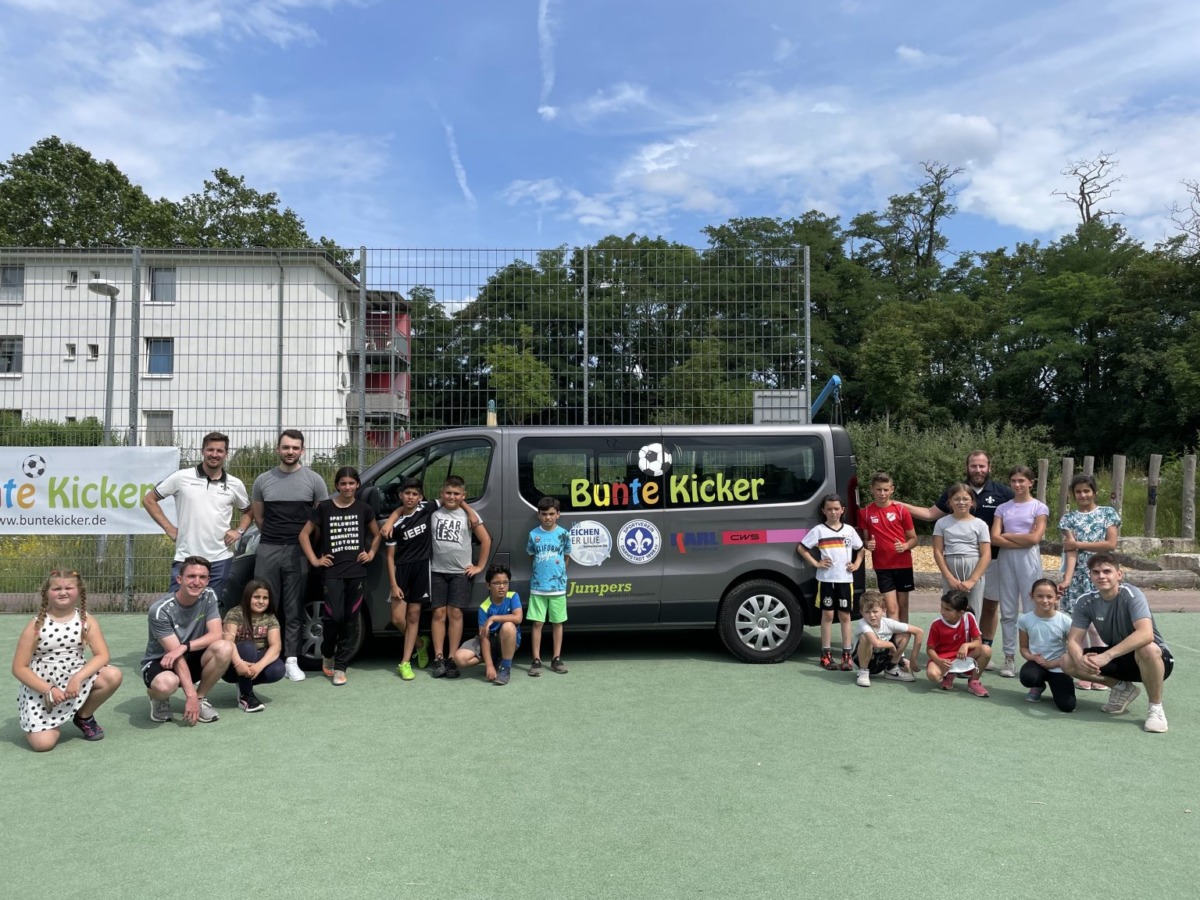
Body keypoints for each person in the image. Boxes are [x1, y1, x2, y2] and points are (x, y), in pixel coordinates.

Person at [902, 450, 1014, 658]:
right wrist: (898, 505)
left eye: (982, 466)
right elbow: (929, 514)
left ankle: (980, 649)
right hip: (956, 564)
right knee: (953, 606)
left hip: (993, 558)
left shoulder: (1003, 492)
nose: (978, 470)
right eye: (974, 466)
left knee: (988, 607)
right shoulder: (954, 493)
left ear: (989, 467)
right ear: (967, 467)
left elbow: (1018, 514)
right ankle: (952, 650)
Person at [12, 570, 122, 750]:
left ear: (78, 591)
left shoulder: (86, 620)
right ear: (46, 593)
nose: (63, 592)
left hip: (75, 681)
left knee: (113, 674)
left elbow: (102, 655)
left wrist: (77, 679)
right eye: (56, 588)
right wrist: (50, 689)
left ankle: (84, 716)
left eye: (69, 588)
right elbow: (19, 668)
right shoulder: (36, 625)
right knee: (43, 745)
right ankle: (36, 722)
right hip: (43, 688)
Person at [1063, 553, 1173, 734]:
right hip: (1120, 657)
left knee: (1147, 648)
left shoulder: (1132, 594)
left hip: (1156, 660)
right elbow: (1074, 640)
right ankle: (1123, 688)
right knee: (1067, 660)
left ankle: (1155, 708)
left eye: (1107, 571)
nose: (1102, 576)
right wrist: (1080, 659)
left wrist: (1105, 656)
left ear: (1119, 574)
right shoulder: (1085, 601)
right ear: (1090, 576)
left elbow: (1146, 634)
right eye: (1096, 572)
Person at [252, 429, 329, 682]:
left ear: (302, 451)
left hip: (299, 553)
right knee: (263, 604)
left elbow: (319, 522)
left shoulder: (314, 481)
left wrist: (306, 546)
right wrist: (275, 539)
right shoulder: (263, 481)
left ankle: (291, 660)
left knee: (294, 606)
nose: (290, 452)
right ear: (278, 449)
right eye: (286, 447)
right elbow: (260, 518)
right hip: (269, 549)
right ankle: (262, 656)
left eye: (295, 448)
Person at [299, 466, 382, 686]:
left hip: (356, 572)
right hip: (332, 573)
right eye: (343, 483)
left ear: (357, 485)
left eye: (351, 483)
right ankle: (328, 652)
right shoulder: (324, 508)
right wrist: (315, 560)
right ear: (336, 485)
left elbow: (377, 534)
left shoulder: (364, 509)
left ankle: (341, 666)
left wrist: (371, 552)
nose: (347, 487)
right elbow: (304, 535)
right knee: (333, 618)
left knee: (350, 619)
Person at [143, 431, 251, 597]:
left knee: (211, 611)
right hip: (186, 557)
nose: (214, 454)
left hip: (220, 559)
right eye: (210, 450)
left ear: (226, 454)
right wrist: (169, 528)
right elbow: (149, 500)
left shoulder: (235, 484)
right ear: (202, 451)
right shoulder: (181, 477)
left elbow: (248, 511)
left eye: (219, 451)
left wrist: (239, 531)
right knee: (178, 609)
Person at [382, 477, 462, 681]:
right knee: (398, 619)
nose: (410, 497)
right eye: (407, 494)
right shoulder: (395, 525)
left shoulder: (426, 509)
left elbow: (452, 498)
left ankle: (405, 662)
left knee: (413, 617)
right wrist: (393, 584)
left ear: (421, 497)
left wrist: (473, 517)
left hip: (422, 569)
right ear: (401, 495)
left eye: (415, 494)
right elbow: (390, 557)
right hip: (401, 571)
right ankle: (420, 643)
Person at [141, 556, 234, 725]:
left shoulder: (209, 595)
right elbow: (174, 655)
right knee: (166, 684)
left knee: (225, 647)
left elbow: (216, 634)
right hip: (162, 660)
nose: (196, 582)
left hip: (187, 652)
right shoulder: (160, 610)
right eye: (191, 576)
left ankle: (200, 698)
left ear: (207, 581)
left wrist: (185, 647)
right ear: (179, 579)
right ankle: (157, 698)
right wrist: (188, 695)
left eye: (202, 577)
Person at [1056, 472, 1121, 691]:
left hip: (1101, 574)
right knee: (1081, 625)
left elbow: (1110, 544)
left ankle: (1102, 670)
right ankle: (1084, 669)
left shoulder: (1107, 514)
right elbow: (1070, 552)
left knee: (1100, 625)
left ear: (1094, 492)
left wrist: (1080, 544)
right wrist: (1067, 579)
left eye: (1086, 490)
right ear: (1073, 494)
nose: (1083, 495)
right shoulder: (1069, 519)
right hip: (1079, 577)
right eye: (1078, 491)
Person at [428, 475, 492, 678]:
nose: (452, 497)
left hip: (460, 573)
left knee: (455, 614)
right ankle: (438, 658)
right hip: (437, 570)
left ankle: (451, 657)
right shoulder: (434, 514)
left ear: (463, 495)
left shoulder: (470, 516)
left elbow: (485, 540)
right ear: (441, 493)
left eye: (457, 494)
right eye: (448, 493)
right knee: (438, 614)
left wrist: (479, 566)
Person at [990, 466, 1049, 679]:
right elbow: (995, 537)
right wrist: (1021, 537)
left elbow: (1035, 539)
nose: (1017, 485)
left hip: (1029, 559)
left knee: (1032, 606)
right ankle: (1009, 655)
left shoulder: (1039, 507)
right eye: (1014, 480)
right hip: (1006, 559)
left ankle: (1036, 655)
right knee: (1007, 609)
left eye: (1022, 481)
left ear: (1030, 482)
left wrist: (1009, 536)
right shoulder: (1003, 508)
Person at [797, 493, 864, 671]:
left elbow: (861, 548)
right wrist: (816, 563)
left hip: (844, 580)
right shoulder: (819, 530)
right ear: (823, 511)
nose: (833, 512)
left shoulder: (849, 530)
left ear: (843, 510)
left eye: (836, 509)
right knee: (827, 615)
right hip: (825, 580)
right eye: (829, 509)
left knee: (844, 616)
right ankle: (825, 654)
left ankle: (846, 654)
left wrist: (856, 564)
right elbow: (802, 548)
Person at [857, 471, 917, 622]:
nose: (882, 493)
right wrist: (867, 544)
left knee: (903, 605)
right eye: (878, 489)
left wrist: (905, 546)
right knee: (891, 607)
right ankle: (893, 641)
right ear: (872, 489)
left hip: (903, 564)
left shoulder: (901, 510)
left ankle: (902, 639)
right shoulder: (865, 513)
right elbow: (865, 540)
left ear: (892, 489)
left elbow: (913, 539)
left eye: (885, 489)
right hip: (882, 566)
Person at [452, 564, 523, 685]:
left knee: (508, 626)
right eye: (497, 583)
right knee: (459, 658)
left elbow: (518, 618)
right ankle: (493, 660)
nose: (502, 587)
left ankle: (505, 668)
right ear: (488, 585)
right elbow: (484, 637)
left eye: (505, 583)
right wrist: (489, 666)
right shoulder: (484, 607)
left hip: (507, 640)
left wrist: (494, 618)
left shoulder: (513, 596)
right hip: (489, 641)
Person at [220, 579, 285, 712]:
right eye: (256, 597)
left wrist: (258, 666)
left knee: (278, 669)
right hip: (232, 664)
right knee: (248, 646)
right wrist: (239, 664)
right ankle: (246, 696)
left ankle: (244, 686)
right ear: (248, 596)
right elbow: (228, 641)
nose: (261, 601)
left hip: (255, 662)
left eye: (265, 598)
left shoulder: (270, 617)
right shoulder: (236, 613)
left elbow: (276, 646)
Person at [526, 496, 573, 676]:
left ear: (558, 514)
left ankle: (556, 658)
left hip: (558, 588)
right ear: (539, 515)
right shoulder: (533, 535)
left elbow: (566, 557)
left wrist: (558, 575)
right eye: (544, 514)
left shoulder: (564, 534)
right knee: (537, 623)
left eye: (552, 514)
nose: (548, 517)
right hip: (538, 587)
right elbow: (532, 556)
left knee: (557, 623)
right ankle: (536, 660)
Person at [931, 482, 991, 620]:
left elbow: (986, 554)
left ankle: (972, 640)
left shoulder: (980, 524)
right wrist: (949, 578)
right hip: (950, 568)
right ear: (950, 502)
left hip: (974, 568)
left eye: (965, 499)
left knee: (973, 612)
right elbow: (938, 552)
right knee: (950, 608)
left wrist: (972, 580)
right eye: (957, 499)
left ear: (972, 502)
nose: (961, 502)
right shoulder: (942, 523)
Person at [1017, 579, 1076, 712]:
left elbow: (1073, 650)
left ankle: (1059, 684)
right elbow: (1023, 647)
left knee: (1068, 706)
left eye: (1049, 597)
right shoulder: (1024, 620)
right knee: (1028, 677)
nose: (1045, 601)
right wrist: (1031, 657)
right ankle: (1038, 685)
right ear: (1032, 596)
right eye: (1040, 596)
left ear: (1056, 597)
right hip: (1037, 664)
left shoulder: (1065, 621)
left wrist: (1053, 664)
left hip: (1058, 665)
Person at [851, 590, 924, 688]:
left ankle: (891, 669)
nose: (872, 615)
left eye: (875, 611)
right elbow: (876, 643)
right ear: (861, 612)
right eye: (867, 612)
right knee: (865, 637)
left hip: (882, 660)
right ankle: (863, 672)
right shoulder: (863, 623)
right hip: (862, 661)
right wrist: (891, 646)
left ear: (884, 610)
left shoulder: (888, 623)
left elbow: (919, 631)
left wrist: (913, 660)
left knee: (905, 635)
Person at [925, 589, 991, 697]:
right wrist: (939, 661)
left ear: (961, 613)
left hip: (964, 657)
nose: (942, 612)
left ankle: (973, 682)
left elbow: (978, 641)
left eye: (947, 609)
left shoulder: (969, 617)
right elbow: (929, 649)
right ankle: (948, 675)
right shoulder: (936, 624)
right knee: (932, 675)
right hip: (944, 659)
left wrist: (966, 645)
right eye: (942, 607)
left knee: (986, 650)